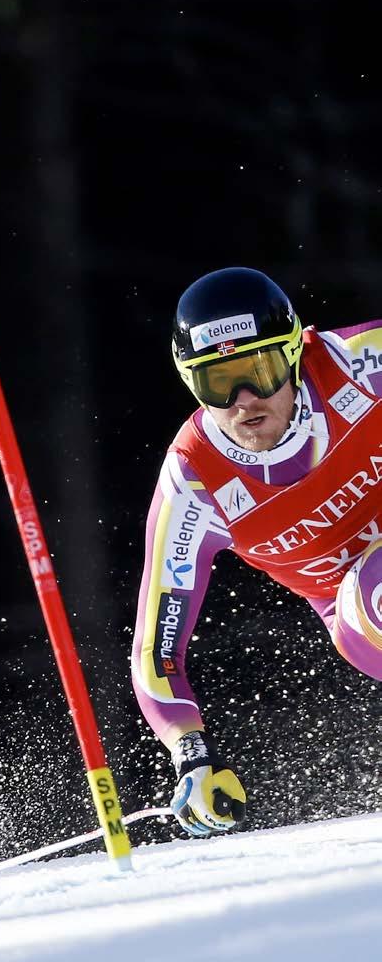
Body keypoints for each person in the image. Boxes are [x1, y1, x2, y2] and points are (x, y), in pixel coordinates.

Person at [130, 266, 382, 837]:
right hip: (365, 617)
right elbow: (155, 649)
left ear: (293, 354)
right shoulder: (194, 484)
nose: (243, 400)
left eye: (259, 371)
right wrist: (191, 755)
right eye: (217, 382)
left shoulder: (359, 362)